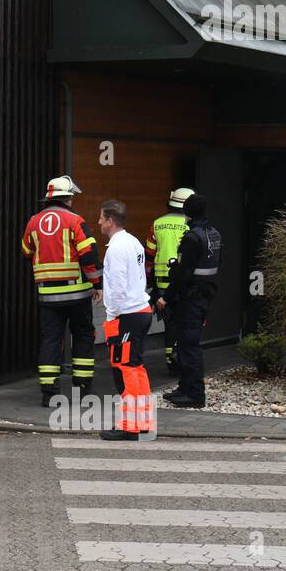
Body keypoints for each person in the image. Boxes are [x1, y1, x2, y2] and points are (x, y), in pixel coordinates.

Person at [21, 176, 102, 406]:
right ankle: (83, 390)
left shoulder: (33, 222)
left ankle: (49, 393)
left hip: (47, 294)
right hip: (77, 294)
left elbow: (26, 251)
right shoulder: (75, 220)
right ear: (68, 198)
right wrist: (97, 285)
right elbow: (89, 255)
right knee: (84, 336)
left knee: (50, 339)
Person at [96, 199, 155, 441]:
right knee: (136, 369)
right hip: (140, 311)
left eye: (101, 218)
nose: (98, 222)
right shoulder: (133, 242)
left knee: (126, 371)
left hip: (126, 316)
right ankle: (143, 423)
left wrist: (113, 316)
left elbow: (118, 288)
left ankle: (129, 427)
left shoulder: (116, 249)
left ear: (110, 220)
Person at [160, 193, 222, 409]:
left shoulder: (192, 238)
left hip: (190, 297)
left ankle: (194, 394)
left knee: (188, 346)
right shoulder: (214, 234)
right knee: (187, 343)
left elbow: (182, 274)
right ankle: (184, 387)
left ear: (187, 212)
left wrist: (165, 298)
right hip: (204, 295)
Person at [144, 188, 194, 373]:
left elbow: (149, 255)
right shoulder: (191, 224)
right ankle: (182, 358)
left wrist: (150, 281)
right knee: (185, 321)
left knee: (170, 323)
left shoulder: (157, 224)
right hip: (184, 284)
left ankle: (170, 361)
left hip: (162, 283)